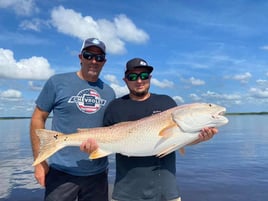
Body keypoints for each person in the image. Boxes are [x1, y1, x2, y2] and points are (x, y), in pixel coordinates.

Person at [81, 58, 218, 201]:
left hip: (166, 193)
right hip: (125, 193)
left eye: (144, 76)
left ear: (150, 78)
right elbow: (103, 140)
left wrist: (199, 138)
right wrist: (91, 147)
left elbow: (179, 141)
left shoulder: (167, 103)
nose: (139, 81)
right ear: (125, 80)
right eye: (133, 77)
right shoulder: (115, 107)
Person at [30, 38, 115, 201]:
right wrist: (39, 163)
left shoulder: (110, 92)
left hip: (97, 174)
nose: (94, 61)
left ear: (104, 62)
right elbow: (37, 118)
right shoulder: (57, 82)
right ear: (80, 57)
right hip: (61, 172)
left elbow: (111, 129)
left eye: (99, 58)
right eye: (88, 55)